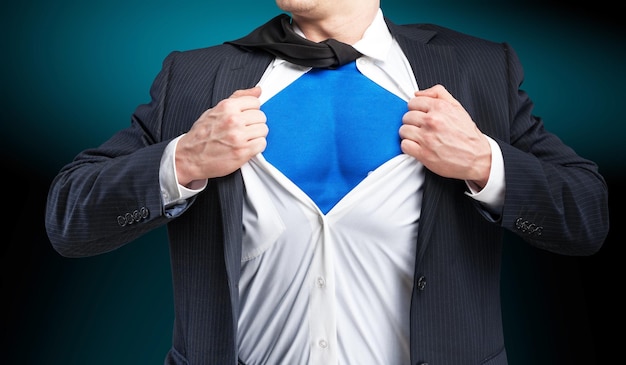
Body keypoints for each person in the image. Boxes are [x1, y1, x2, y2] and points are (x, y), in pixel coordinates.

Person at [45, 0, 610, 364]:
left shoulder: (478, 68)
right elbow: (69, 220)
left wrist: (486, 162)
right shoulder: (193, 77)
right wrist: (182, 161)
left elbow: (586, 218)